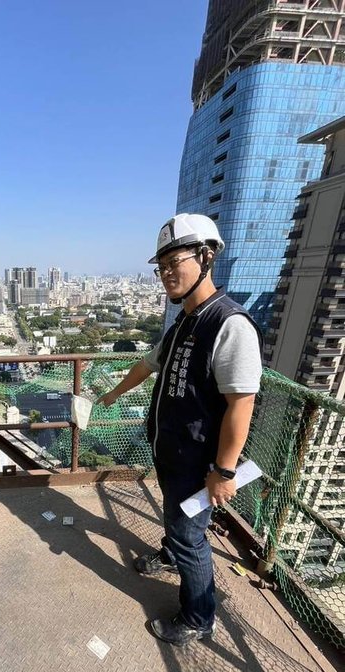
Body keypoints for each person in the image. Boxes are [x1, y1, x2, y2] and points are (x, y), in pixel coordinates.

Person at [98, 213, 262, 646]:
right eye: (162, 265)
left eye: (177, 261)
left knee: (192, 537)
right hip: (171, 450)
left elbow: (241, 402)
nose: (167, 273)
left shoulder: (229, 324)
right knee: (176, 517)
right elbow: (148, 364)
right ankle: (170, 554)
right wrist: (114, 394)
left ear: (206, 257)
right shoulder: (185, 321)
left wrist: (224, 471)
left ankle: (198, 616)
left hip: (199, 462)